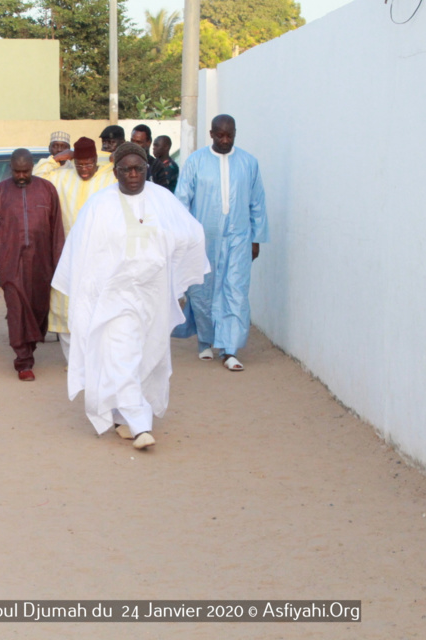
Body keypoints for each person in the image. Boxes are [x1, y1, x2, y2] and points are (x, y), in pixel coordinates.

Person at [51, 143, 209, 449]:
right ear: (115, 171)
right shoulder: (99, 205)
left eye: (139, 169)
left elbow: (191, 235)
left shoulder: (163, 200)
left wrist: (176, 283)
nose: (133, 175)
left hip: (153, 296)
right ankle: (139, 426)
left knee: (146, 357)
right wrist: (90, 295)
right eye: (126, 169)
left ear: (147, 170)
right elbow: (82, 253)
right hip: (114, 297)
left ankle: (122, 417)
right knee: (121, 354)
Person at [172, 114, 268, 371]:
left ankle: (230, 349)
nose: (225, 140)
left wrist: (256, 238)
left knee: (235, 290)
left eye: (230, 135)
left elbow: (257, 203)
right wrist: (184, 238)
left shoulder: (249, 163)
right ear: (212, 134)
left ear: (235, 133)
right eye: (220, 135)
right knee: (202, 290)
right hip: (203, 239)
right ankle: (205, 341)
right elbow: (181, 200)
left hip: (239, 238)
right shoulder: (195, 162)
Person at [0, 149, 64, 380]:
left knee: (38, 310)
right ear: (11, 169)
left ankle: (30, 347)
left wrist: (59, 263)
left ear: (32, 168)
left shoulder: (47, 190)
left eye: (26, 171)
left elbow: (57, 229)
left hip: (41, 261)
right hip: (11, 260)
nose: (22, 176)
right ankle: (23, 360)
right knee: (16, 310)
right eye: (17, 171)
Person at [46, 137, 117, 361]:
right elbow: (39, 175)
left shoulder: (109, 177)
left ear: (96, 160)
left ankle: (96, 359)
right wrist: (56, 159)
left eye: (88, 164)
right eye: (79, 164)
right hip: (69, 255)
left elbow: (128, 162)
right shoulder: (62, 176)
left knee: (98, 305)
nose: (84, 169)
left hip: (100, 255)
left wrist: (111, 157)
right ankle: (73, 361)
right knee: (66, 305)